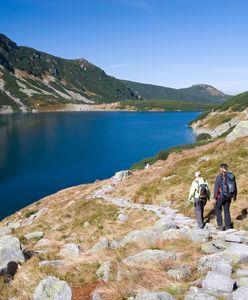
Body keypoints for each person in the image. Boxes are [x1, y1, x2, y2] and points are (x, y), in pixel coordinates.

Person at [214, 163, 237, 230]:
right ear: (227, 168)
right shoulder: (231, 176)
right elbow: (235, 186)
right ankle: (228, 226)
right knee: (226, 210)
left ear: (221, 168)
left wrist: (215, 198)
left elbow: (216, 188)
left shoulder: (219, 177)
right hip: (229, 196)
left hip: (221, 196)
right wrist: (234, 195)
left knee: (217, 208)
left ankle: (220, 225)